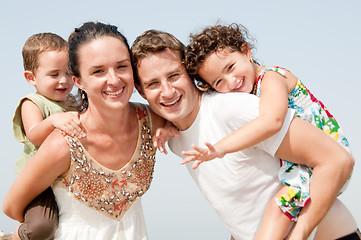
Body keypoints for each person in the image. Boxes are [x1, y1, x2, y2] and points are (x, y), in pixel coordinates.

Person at [131, 29, 359, 240]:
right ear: (141, 91)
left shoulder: (233, 108)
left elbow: (338, 159)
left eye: (174, 76)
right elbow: (244, 206)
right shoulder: (175, 140)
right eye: (153, 83)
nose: (168, 91)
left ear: (190, 73)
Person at [3, 22, 165, 240]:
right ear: (79, 81)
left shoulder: (151, 120)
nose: (114, 79)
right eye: (98, 71)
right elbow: (12, 207)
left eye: (122, 66)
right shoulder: (63, 141)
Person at [11, 32, 85, 240]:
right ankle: (14, 235)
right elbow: (34, 135)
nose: (63, 81)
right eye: (54, 75)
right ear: (31, 77)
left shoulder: (72, 102)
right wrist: (52, 121)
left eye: (68, 73)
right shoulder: (33, 102)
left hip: (67, 177)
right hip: (39, 181)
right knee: (43, 227)